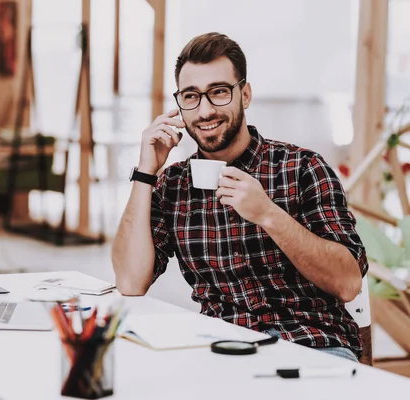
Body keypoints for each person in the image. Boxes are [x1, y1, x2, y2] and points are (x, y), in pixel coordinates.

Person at [111, 32, 368, 362]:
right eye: (191, 96)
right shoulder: (174, 185)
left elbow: (348, 283)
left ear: (244, 94)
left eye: (218, 92)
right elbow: (130, 282)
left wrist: (268, 214)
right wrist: (146, 172)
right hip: (220, 348)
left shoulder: (302, 167)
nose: (204, 110)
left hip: (313, 346)